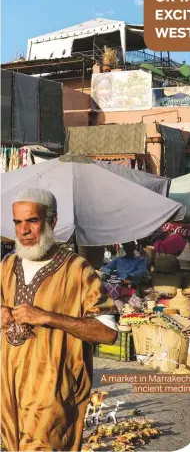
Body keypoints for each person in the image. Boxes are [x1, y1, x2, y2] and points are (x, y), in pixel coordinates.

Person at [1, 188, 118, 452]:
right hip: (9, 390)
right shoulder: (7, 265)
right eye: (17, 222)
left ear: (51, 221)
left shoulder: (78, 270)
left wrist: (47, 317)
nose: (24, 230)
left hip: (53, 391)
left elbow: (107, 332)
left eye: (32, 220)